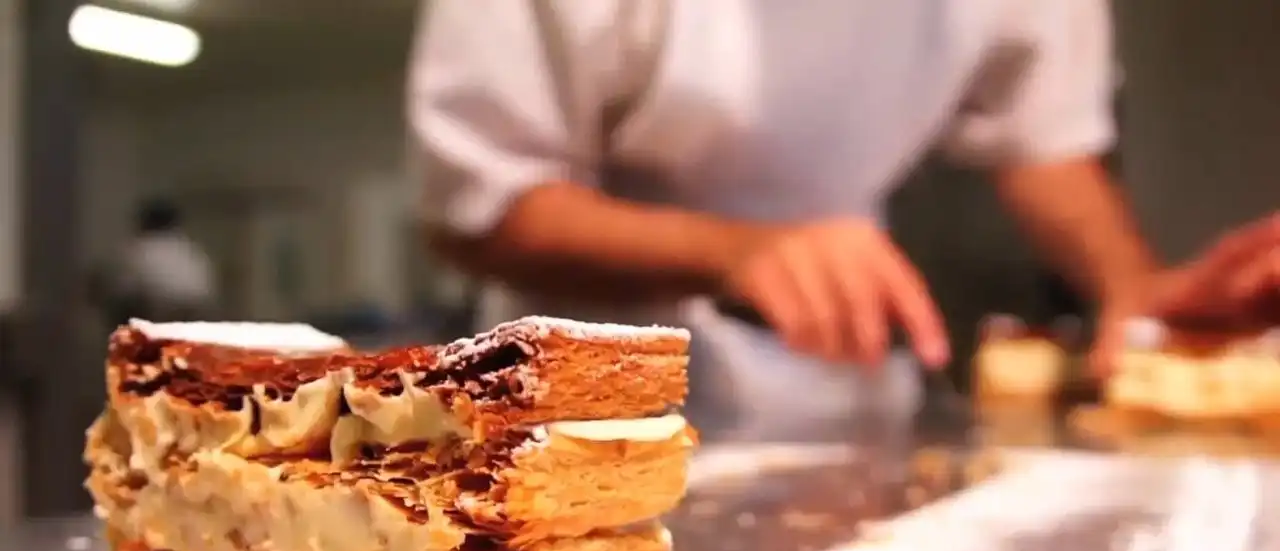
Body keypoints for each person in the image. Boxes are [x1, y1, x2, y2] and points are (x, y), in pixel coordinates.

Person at [407, 0, 1280, 437]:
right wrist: (736, 252)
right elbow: (479, 207)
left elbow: (1044, 139)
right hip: (574, 411)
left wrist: (1137, 296)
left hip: (847, 397)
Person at [100, 198, 218, 326]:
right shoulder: (189, 248)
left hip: (159, 309)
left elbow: (122, 287)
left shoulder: (139, 248)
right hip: (199, 310)